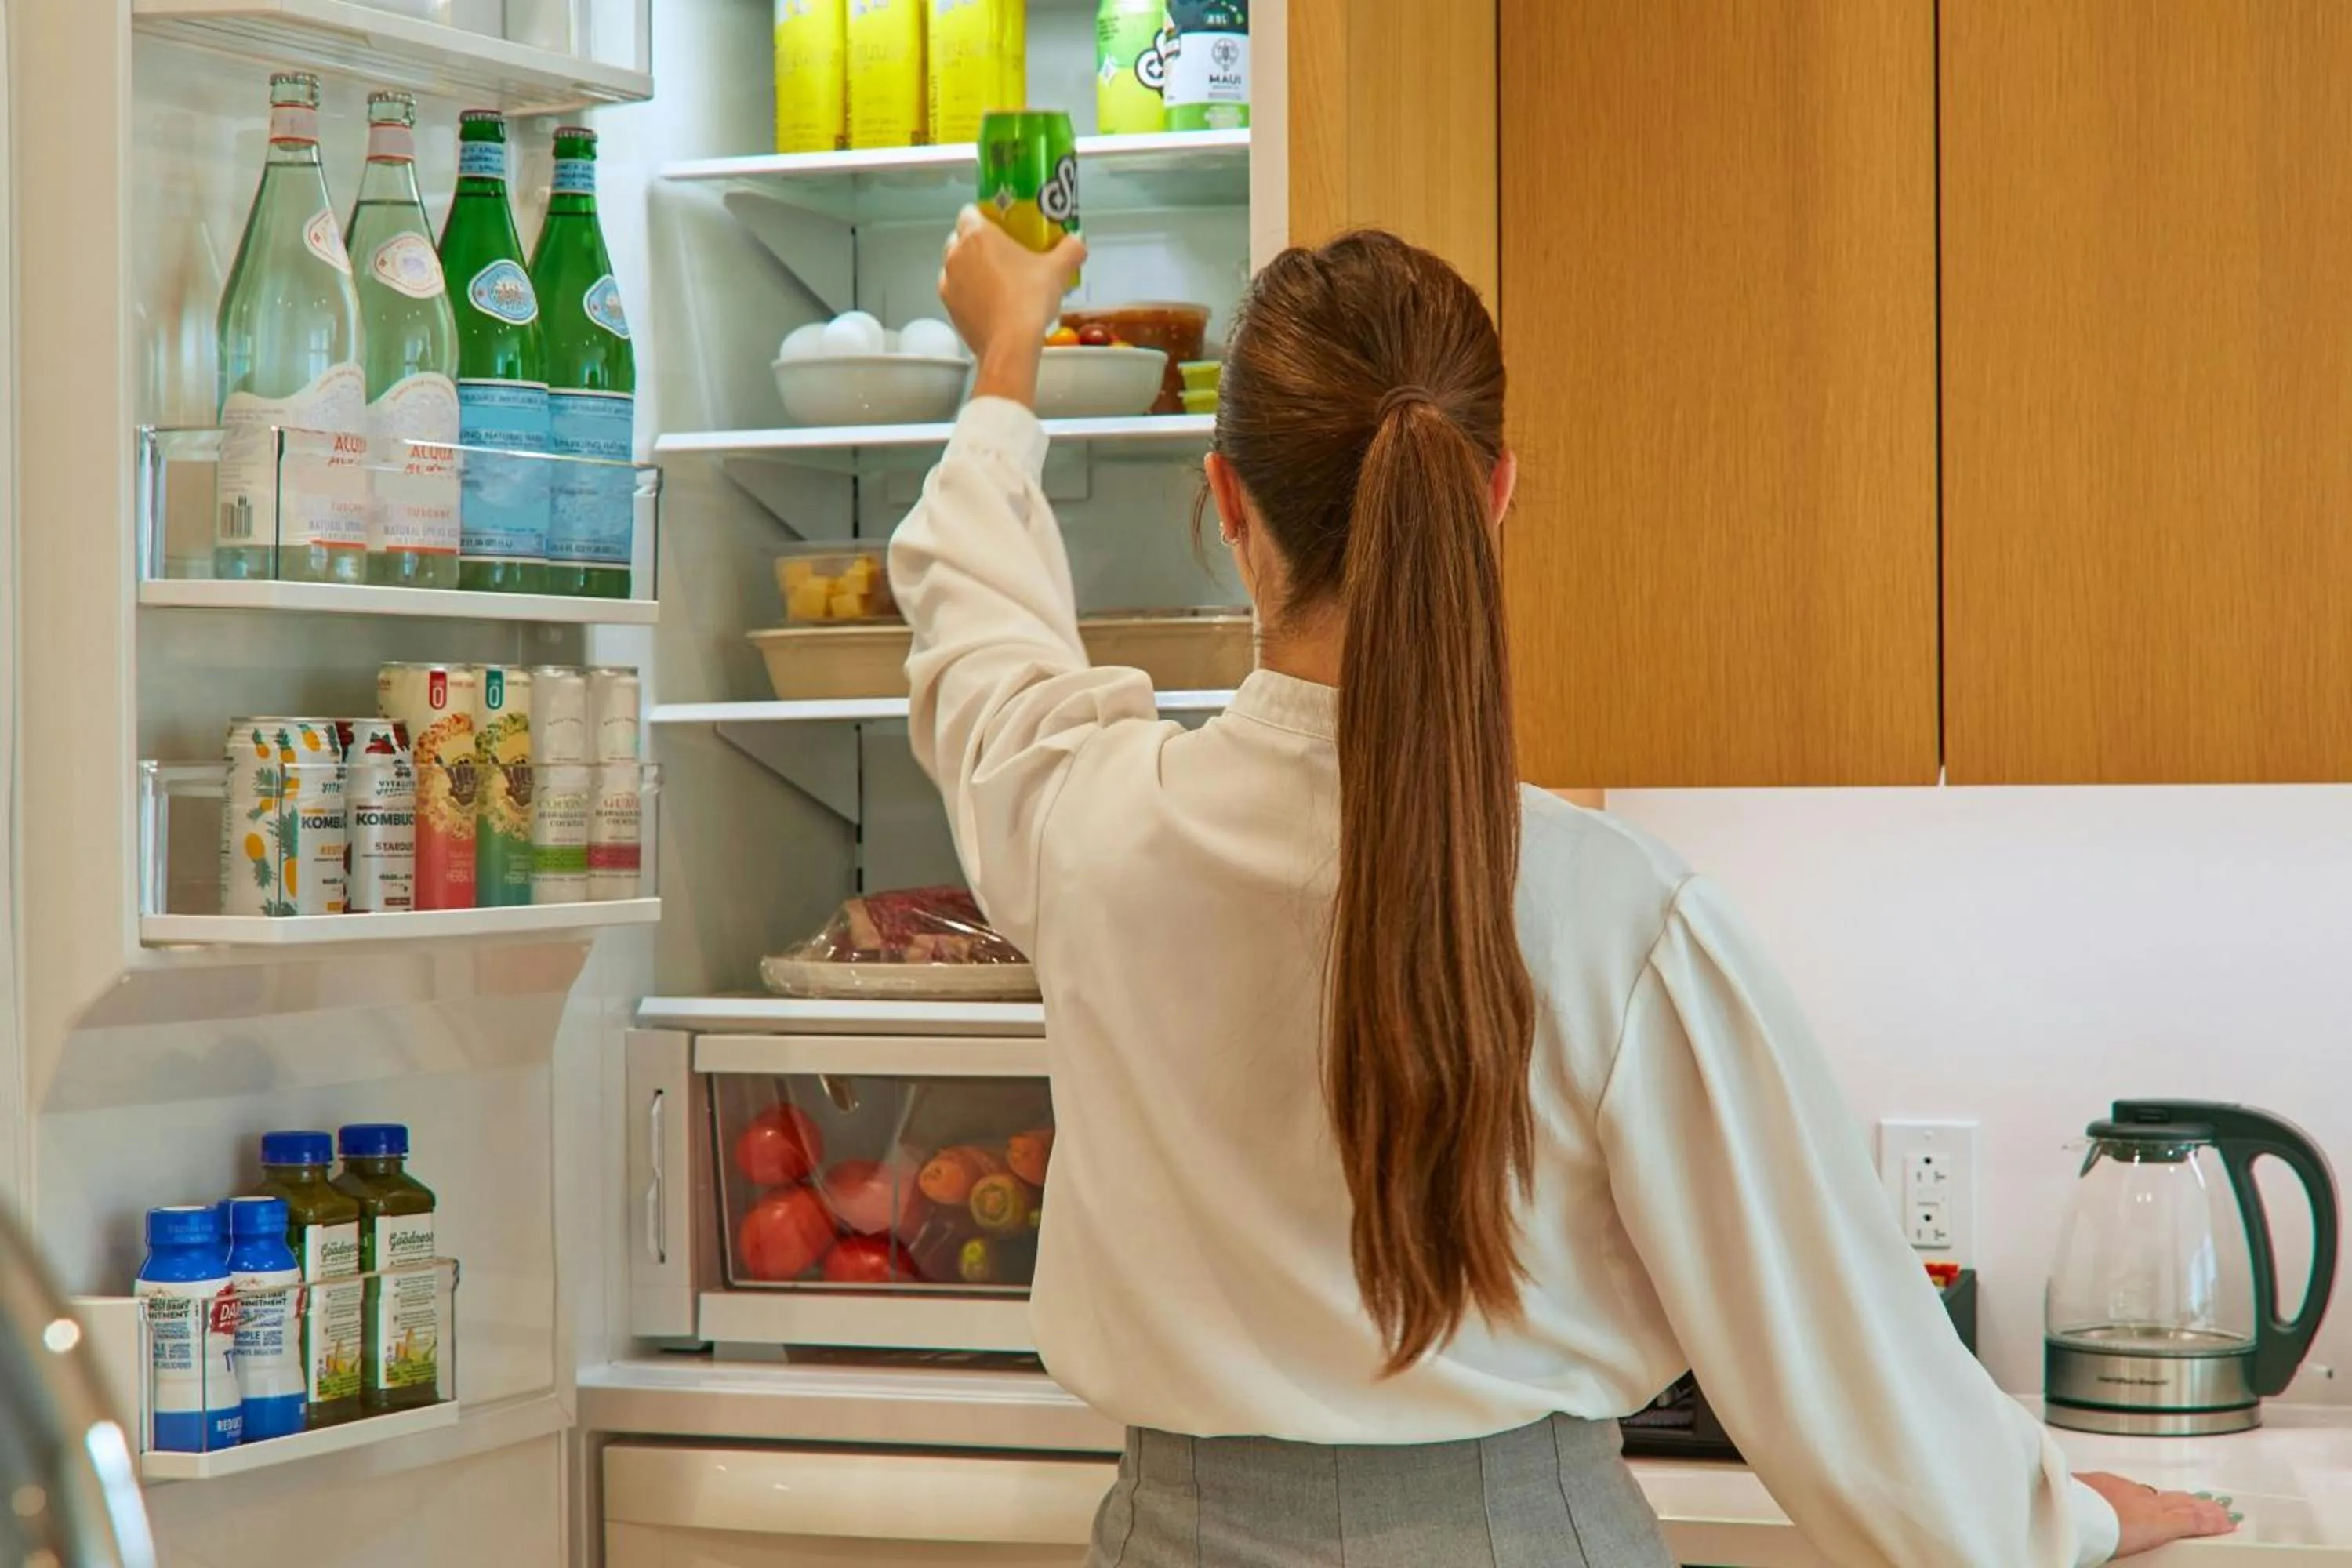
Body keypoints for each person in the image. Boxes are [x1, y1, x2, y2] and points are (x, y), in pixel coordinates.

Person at [891, 209, 2236, 1567]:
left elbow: (980, 638)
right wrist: (2055, 1518)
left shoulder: (1085, 828)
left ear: (1229, 506)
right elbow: (1845, 1360)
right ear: (1495, 494)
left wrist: (1007, 354)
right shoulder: (1626, 920)